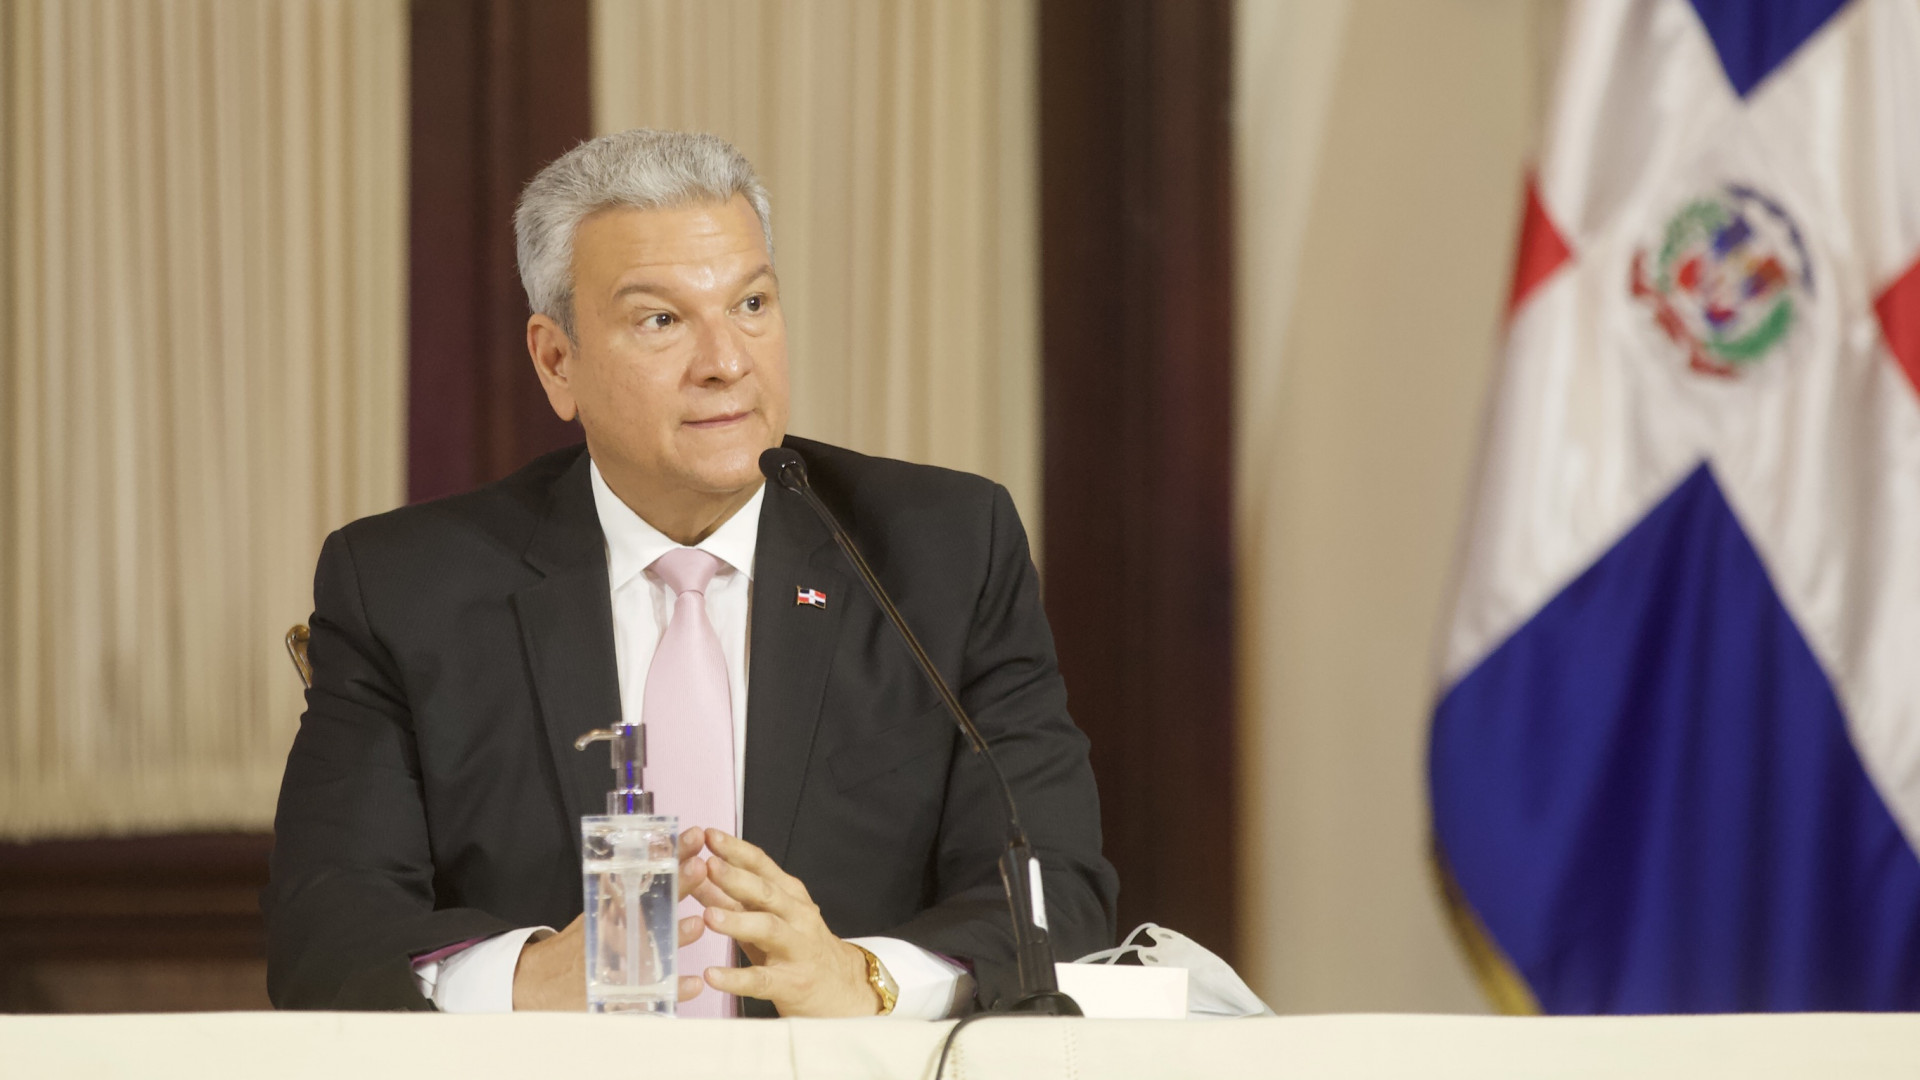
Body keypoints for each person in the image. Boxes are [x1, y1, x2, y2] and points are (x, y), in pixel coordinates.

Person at [263, 129, 1118, 1018]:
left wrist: (865, 981)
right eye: (661, 320)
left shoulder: (942, 553)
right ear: (557, 362)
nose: (727, 362)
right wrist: (520, 985)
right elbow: (327, 931)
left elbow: (1055, 889)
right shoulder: (406, 590)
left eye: (751, 303)